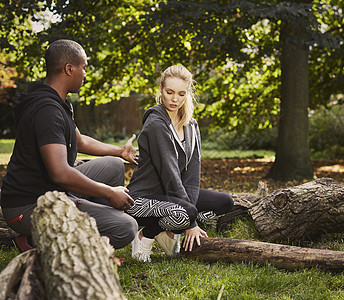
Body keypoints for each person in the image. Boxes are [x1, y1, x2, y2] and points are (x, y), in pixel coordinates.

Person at [0, 39, 138, 252]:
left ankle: (86, 222)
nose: (85, 74)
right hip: (28, 205)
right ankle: (34, 243)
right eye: (84, 68)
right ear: (69, 68)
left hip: (54, 191)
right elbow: (61, 174)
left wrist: (120, 151)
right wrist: (110, 192)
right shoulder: (47, 110)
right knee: (125, 227)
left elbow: (80, 141)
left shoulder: (56, 102)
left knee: (114, 165)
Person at [126, 64, 233, 262]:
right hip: (141, 200)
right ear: (161, 90)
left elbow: (192, 173)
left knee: (225, 202)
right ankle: (145, 235)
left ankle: (166, 230)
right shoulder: (156, 124)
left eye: (181, 93)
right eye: (169, 92)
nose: (175, 99)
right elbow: (170, 174)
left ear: (187, 93)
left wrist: (188, 211)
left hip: (172, 197)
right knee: (189, 213)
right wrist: (190, 221)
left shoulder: (191, 124)